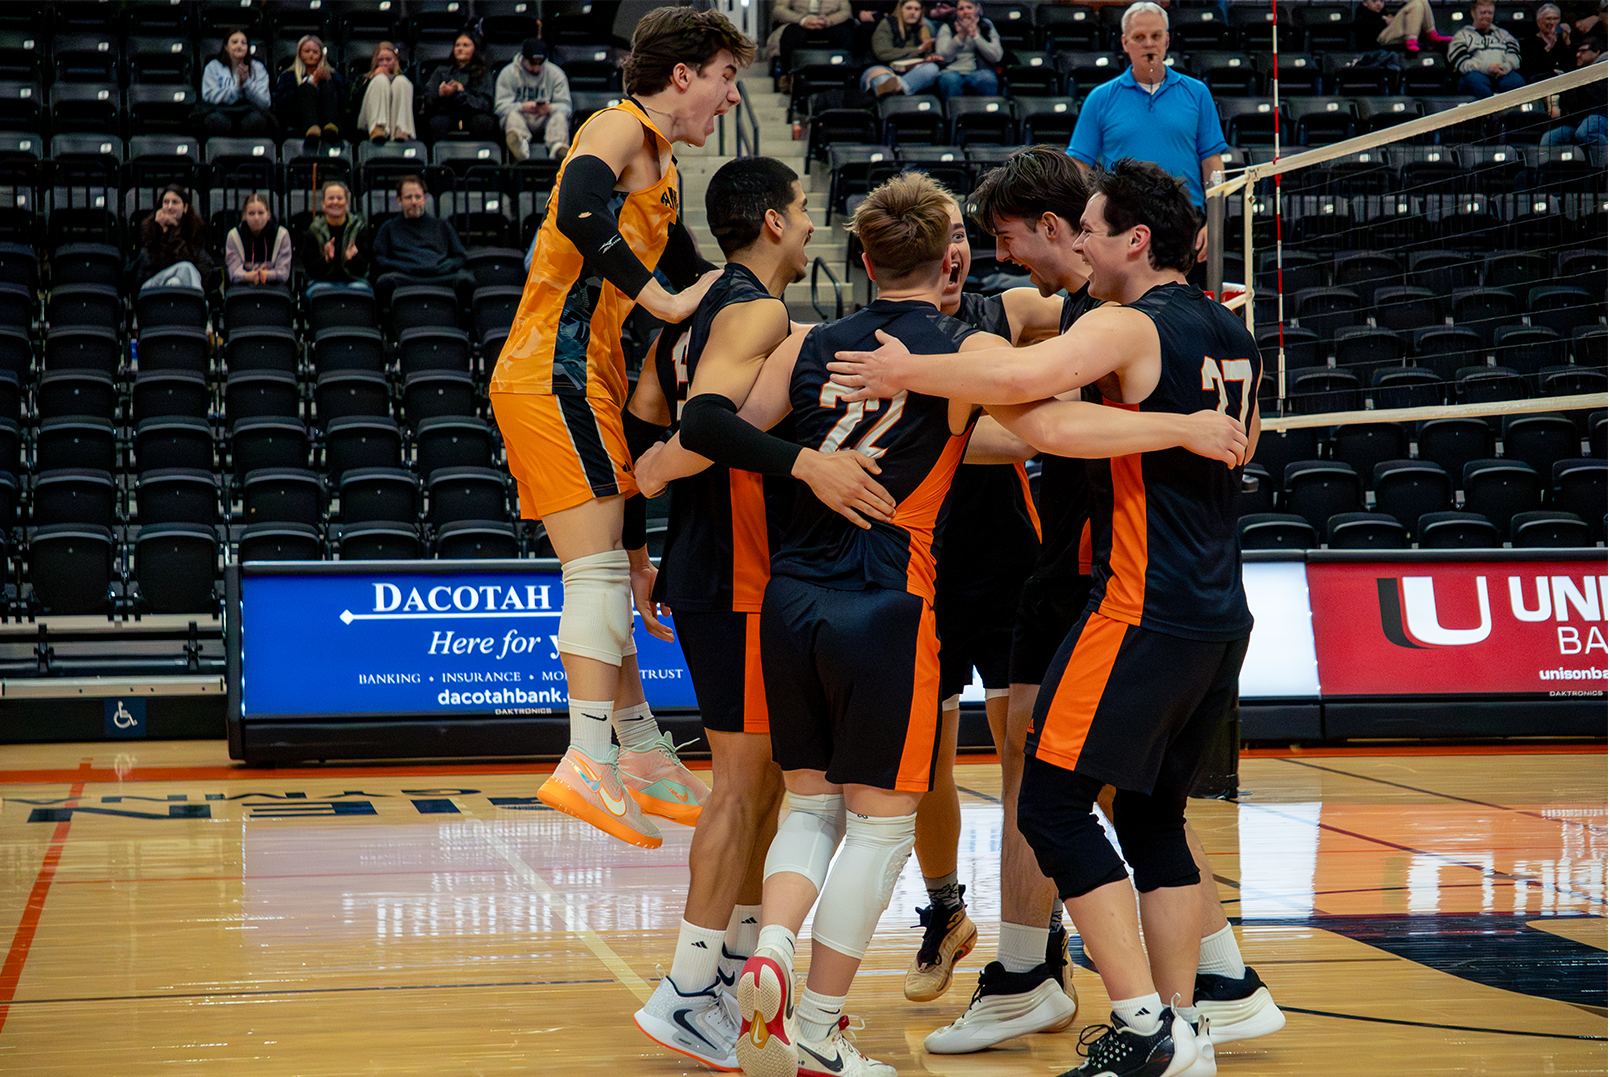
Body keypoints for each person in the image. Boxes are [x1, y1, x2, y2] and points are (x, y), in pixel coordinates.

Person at [830, 159, 1263, 1077]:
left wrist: (911, 368)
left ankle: (1140, 1019)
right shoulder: (1232, 326)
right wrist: (1173, 428)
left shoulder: (1127, 321)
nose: (1082, 244)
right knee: (1152, 819)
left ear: (1135, 241)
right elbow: (1233, 442)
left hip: (1141, 607)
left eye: (1094, 229)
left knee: (1055, 805)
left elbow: (1044, 403)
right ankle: (1183, 1026)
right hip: (1220, 610)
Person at [488, 6, 747, 850]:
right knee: (594, 573)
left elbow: (702, 277)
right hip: (549, 368)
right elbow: (576, 206)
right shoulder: (618, 125)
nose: (731, 96)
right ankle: (587, 756)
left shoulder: (662, 169)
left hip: (587, 376)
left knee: (614, 565)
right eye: (725, 78)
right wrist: (664, 299)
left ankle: (637, 749)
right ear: (683, 74)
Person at [625, 156, 837, 1074]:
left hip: (708, 561)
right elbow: (696, 428)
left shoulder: (687, 314)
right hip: (742, 567)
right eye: (803, 206)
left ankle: (730, 970)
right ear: (775, 221)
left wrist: (639, 547)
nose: (813, 220)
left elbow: (640, 421)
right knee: (745, 786)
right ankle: (684, 989)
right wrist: (806, 464)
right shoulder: (757, 311)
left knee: (766, 783)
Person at [369, 175, 473, 309]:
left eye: (418, 197)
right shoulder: (389, 227)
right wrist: (403, 267)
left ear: (424, 199)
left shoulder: (442, 225)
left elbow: (460, 257)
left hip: (439, 276)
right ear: (399, 200)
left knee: (465, 280)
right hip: (405, 276)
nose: (414, 202)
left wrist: (445, 266)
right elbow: (379, 259)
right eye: (408, 197)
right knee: (384, 282)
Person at [494, 38, 573, 161]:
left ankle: (558, 149)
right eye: (532, 64)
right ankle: (520, 147)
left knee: (559, 116)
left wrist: (550, 108)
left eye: (540, 64)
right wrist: (522, 107)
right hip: (522, 117)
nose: (536, 69)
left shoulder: (556, 74)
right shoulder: (508, 73)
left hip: (546, 119)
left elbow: (567, 107)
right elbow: (499, 108)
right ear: (524, 59)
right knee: (512, 116)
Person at [130, 185, 216, 296]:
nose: (169, 207)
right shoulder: (150, 228)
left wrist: (175, 237)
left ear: (185, 208)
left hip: (184, 285)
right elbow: (146, 266)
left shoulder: (196, 231)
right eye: (166, 202)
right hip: (152, 288)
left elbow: (205, 269)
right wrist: (161, 232)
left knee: (176, 280)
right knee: (186, 268)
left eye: (175, 202)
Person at [423, 33, 498, 143]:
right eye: (457, 45)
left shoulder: (483, 74)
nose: (460, 49)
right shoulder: (441, 72)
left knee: (484, 122)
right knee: (437, 122)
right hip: (447, 113)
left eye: (465, 45)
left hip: (473, 115)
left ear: (475, 49)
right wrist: (440, 95)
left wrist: (461, 92)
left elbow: (485, 104)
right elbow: (428, 102)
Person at [198, 29, 274, 138]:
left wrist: (247, 84)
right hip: (221, 111)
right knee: (214, 120)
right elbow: (209, 96)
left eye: (244, 43)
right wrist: (237, 89)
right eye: (235, 42)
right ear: (226, 47)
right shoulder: (213, 66)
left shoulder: (258, 68)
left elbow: (265, 102)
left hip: (249, 113)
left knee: (257, 120)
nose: (239, 46)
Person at [300, 180, 371, 294]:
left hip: (354, 280)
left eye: (339, 198)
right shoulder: (314, 230)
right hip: (322, 280)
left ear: (347, 204)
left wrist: (354, 257)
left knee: (362, 291)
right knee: (317, 292)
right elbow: (310, 271)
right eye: (331, 198)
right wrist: (326, 259)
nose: (335, 202)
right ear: (323, 204)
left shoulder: (358, 227)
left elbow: (365, 269)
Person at [861, 0, 943, 97]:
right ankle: (897, 89)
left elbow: (924, 57)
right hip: (883, 67)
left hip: (910, 71)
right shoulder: (887, 23)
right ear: (901, 10)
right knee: (882, 79)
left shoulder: (924, 30)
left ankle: (897, 87)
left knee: (932, 69)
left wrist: (929, 58)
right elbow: (882, 53)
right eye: (909, 8)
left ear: (921, 12)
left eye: (916, 9)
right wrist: (916, 50)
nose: (912, 12)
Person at [274, 34, 344, 142]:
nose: (311, 55)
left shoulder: (334, 76)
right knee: (306, 87)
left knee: (327, 85)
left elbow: (344, 98)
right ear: (299, 54)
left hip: (326, 115)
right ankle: (312, 128)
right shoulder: (287, 76)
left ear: (321, 55)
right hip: (298, 117)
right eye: (307, 51)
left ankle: (331, 127)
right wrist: (309, 86)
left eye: (315, 52)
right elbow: (280, 102)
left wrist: (329, 79)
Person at [1449, 0, 1526, 97]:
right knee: (1476, 83)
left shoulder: (1503, 34)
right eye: (1483, 13)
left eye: (1490, 13)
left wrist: (1506, 66)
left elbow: (1514, 54)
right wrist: (1487, 68)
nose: (1486, 16)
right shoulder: (1462, 36)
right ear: (1473, 13)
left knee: (1517, 81)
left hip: (1503, 73)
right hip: (1475, 75)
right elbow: (1462, 63)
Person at [1541, 35, 1608, 145]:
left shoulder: (1605, 68)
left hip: (1602, 116)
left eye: (1583, 51)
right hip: (1580, 121)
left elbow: (1598, 98)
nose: (1578, 55)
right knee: (1550, 138)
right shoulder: (1580, 71)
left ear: (1597, 51)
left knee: (1585, 132)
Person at [935, 0, 1003, 99]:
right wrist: (960, 36)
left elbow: (996, 56)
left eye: (969, 8)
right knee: (949, 80)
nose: (965, 11)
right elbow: (942, 57)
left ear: (977, 9)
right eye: (961, 9)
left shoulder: (986, 25)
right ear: (956, 11)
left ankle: (986, 109)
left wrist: (976, 36)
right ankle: (953, 109)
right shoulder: (947, 27)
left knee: (987, 78)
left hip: (979, 71)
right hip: (952, 71)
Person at [351, 41, 416, 142]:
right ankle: (378, 128)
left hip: (394, 125)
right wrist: (372, 78)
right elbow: (354, 104)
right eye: (381, 60)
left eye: (388, 60)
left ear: (396, 61)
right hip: (366, 123)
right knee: (380, 80)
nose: (384, 63)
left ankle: (401, 130)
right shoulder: (363, 79)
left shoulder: (404, 80)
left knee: (401, 81)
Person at [224, 193, 292, 289]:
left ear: (268, 215)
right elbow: (233, 273)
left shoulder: (282, 235)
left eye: (261, 213)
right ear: (244, 215)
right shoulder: (234, 236)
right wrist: (251, 276)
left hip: (274, 286)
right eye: (251, 213)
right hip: (242, 286)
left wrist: (266, 275)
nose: (256, 218)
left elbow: (284, 273)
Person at [768, 0, 856, 73]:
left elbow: (846, 12)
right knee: (789, 33)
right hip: (799, 23)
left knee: (845, 33)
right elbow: (779, 10)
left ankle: (842, 73)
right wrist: (803, 20)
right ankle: (788, 75)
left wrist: (828, 21)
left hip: (829, 23)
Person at [1350, 0, 1452, 52]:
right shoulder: (1362, 15)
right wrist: (1384, 22)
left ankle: (1432, 33)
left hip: (1393, 37)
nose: (1378, 4)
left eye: (1381, 1)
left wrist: (1390, 20)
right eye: (1374, 1)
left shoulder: (1384, 12)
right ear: (1365, 3)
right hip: (1379, 41)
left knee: (1422, 1)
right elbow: (1362, 30)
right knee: (1415, 5)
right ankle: (1412, 39)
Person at [1522, 4, 1575, 79]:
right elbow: (1531, 69)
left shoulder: (1562, 38)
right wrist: (1548, 48)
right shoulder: (1530, 41)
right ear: (1538, 21)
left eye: (1555, 19)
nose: (1552, 22)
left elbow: (1572, 65)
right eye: (1548, 19)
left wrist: (1567, 42)